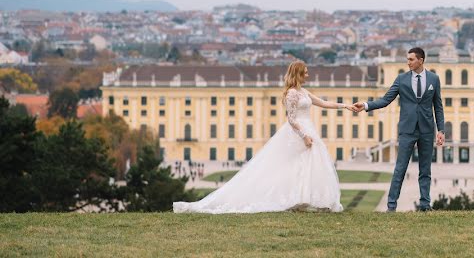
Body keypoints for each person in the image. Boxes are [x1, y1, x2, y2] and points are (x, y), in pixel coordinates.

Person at [173, 60, 349, 213]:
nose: (308, 75)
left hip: (309, 130)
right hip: (299, 133)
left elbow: (324, 103)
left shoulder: (304, 92)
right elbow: (291, 119)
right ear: (298, 73)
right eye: (305, 72)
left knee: (307, 166)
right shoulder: (291, 94)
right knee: (292, 168)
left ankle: (307, 200)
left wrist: (346, 106)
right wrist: (304, 136)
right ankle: (297, 200)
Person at [352, 47, 444, 211]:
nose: (407, 62)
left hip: (427, 130)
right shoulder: (401, 79)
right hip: (407, 130)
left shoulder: (434, 79)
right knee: (400, 169)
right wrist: (366, 105)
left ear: (421, 60)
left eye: (411, 59)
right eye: (407, 59)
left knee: (425, 170)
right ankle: (391, 206)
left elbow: (438, 106)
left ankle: (425, 205)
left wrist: (441, 130)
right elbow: (386, 99)